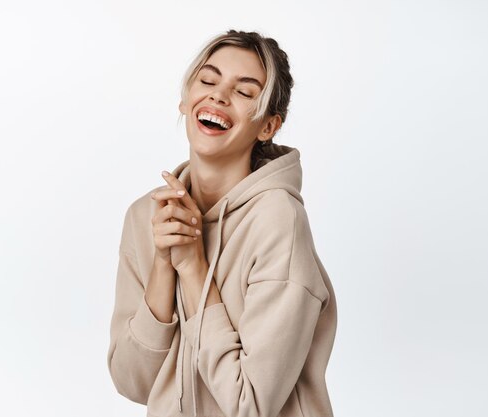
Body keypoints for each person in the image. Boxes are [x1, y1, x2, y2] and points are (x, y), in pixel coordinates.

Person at [107, 29, 337, 417]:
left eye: (244, 92)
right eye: (208, 80)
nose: (218, 95)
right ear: (185, 100)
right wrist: (164, 265)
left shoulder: (278, 220)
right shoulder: (147, 217)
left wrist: (193, 268)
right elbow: (134, 383)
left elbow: (250, 406)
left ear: (267, 126)